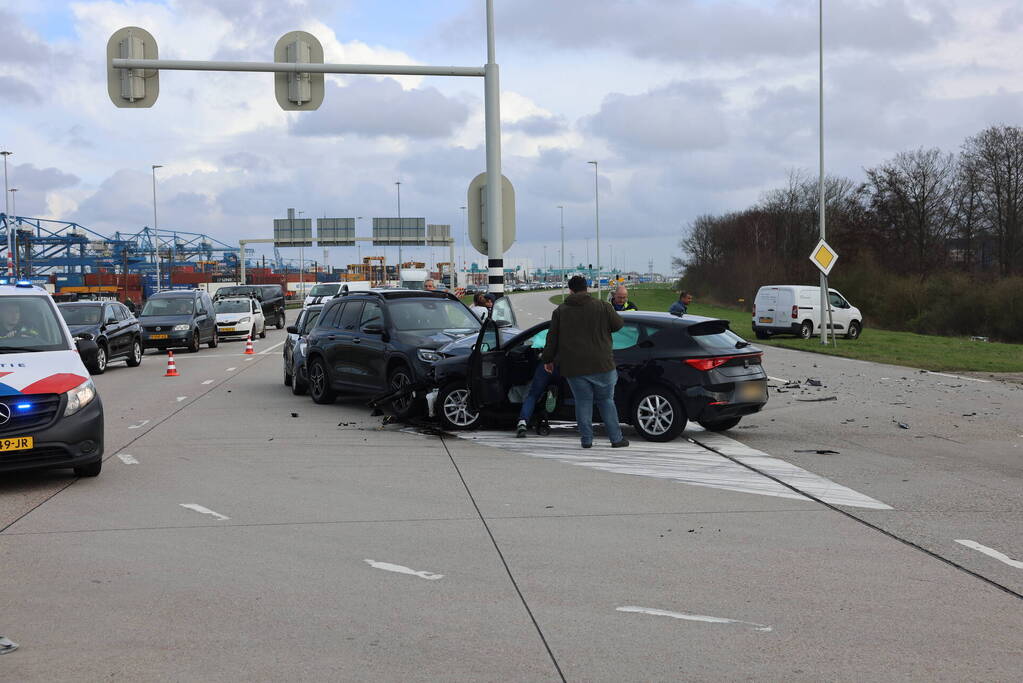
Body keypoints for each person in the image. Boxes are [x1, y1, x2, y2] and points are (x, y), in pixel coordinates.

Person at [541, 275, 628, 449]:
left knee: (582, 402)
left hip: (574, 367)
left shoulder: (560, 311)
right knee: (606, 401)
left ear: (570, 290)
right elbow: (618, 325)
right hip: (603, 364)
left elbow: (552, 339)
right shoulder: (603, 306)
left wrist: (548, 359)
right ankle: (616, 439)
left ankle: (586, 440)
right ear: (587, 288)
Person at [516, 330, 559, 438]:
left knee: (533, 395)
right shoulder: (570, 332)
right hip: (563, 366)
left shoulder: (545, 332)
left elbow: (533, 348)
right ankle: (554, 392)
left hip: (545, 365)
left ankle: (522, 422)